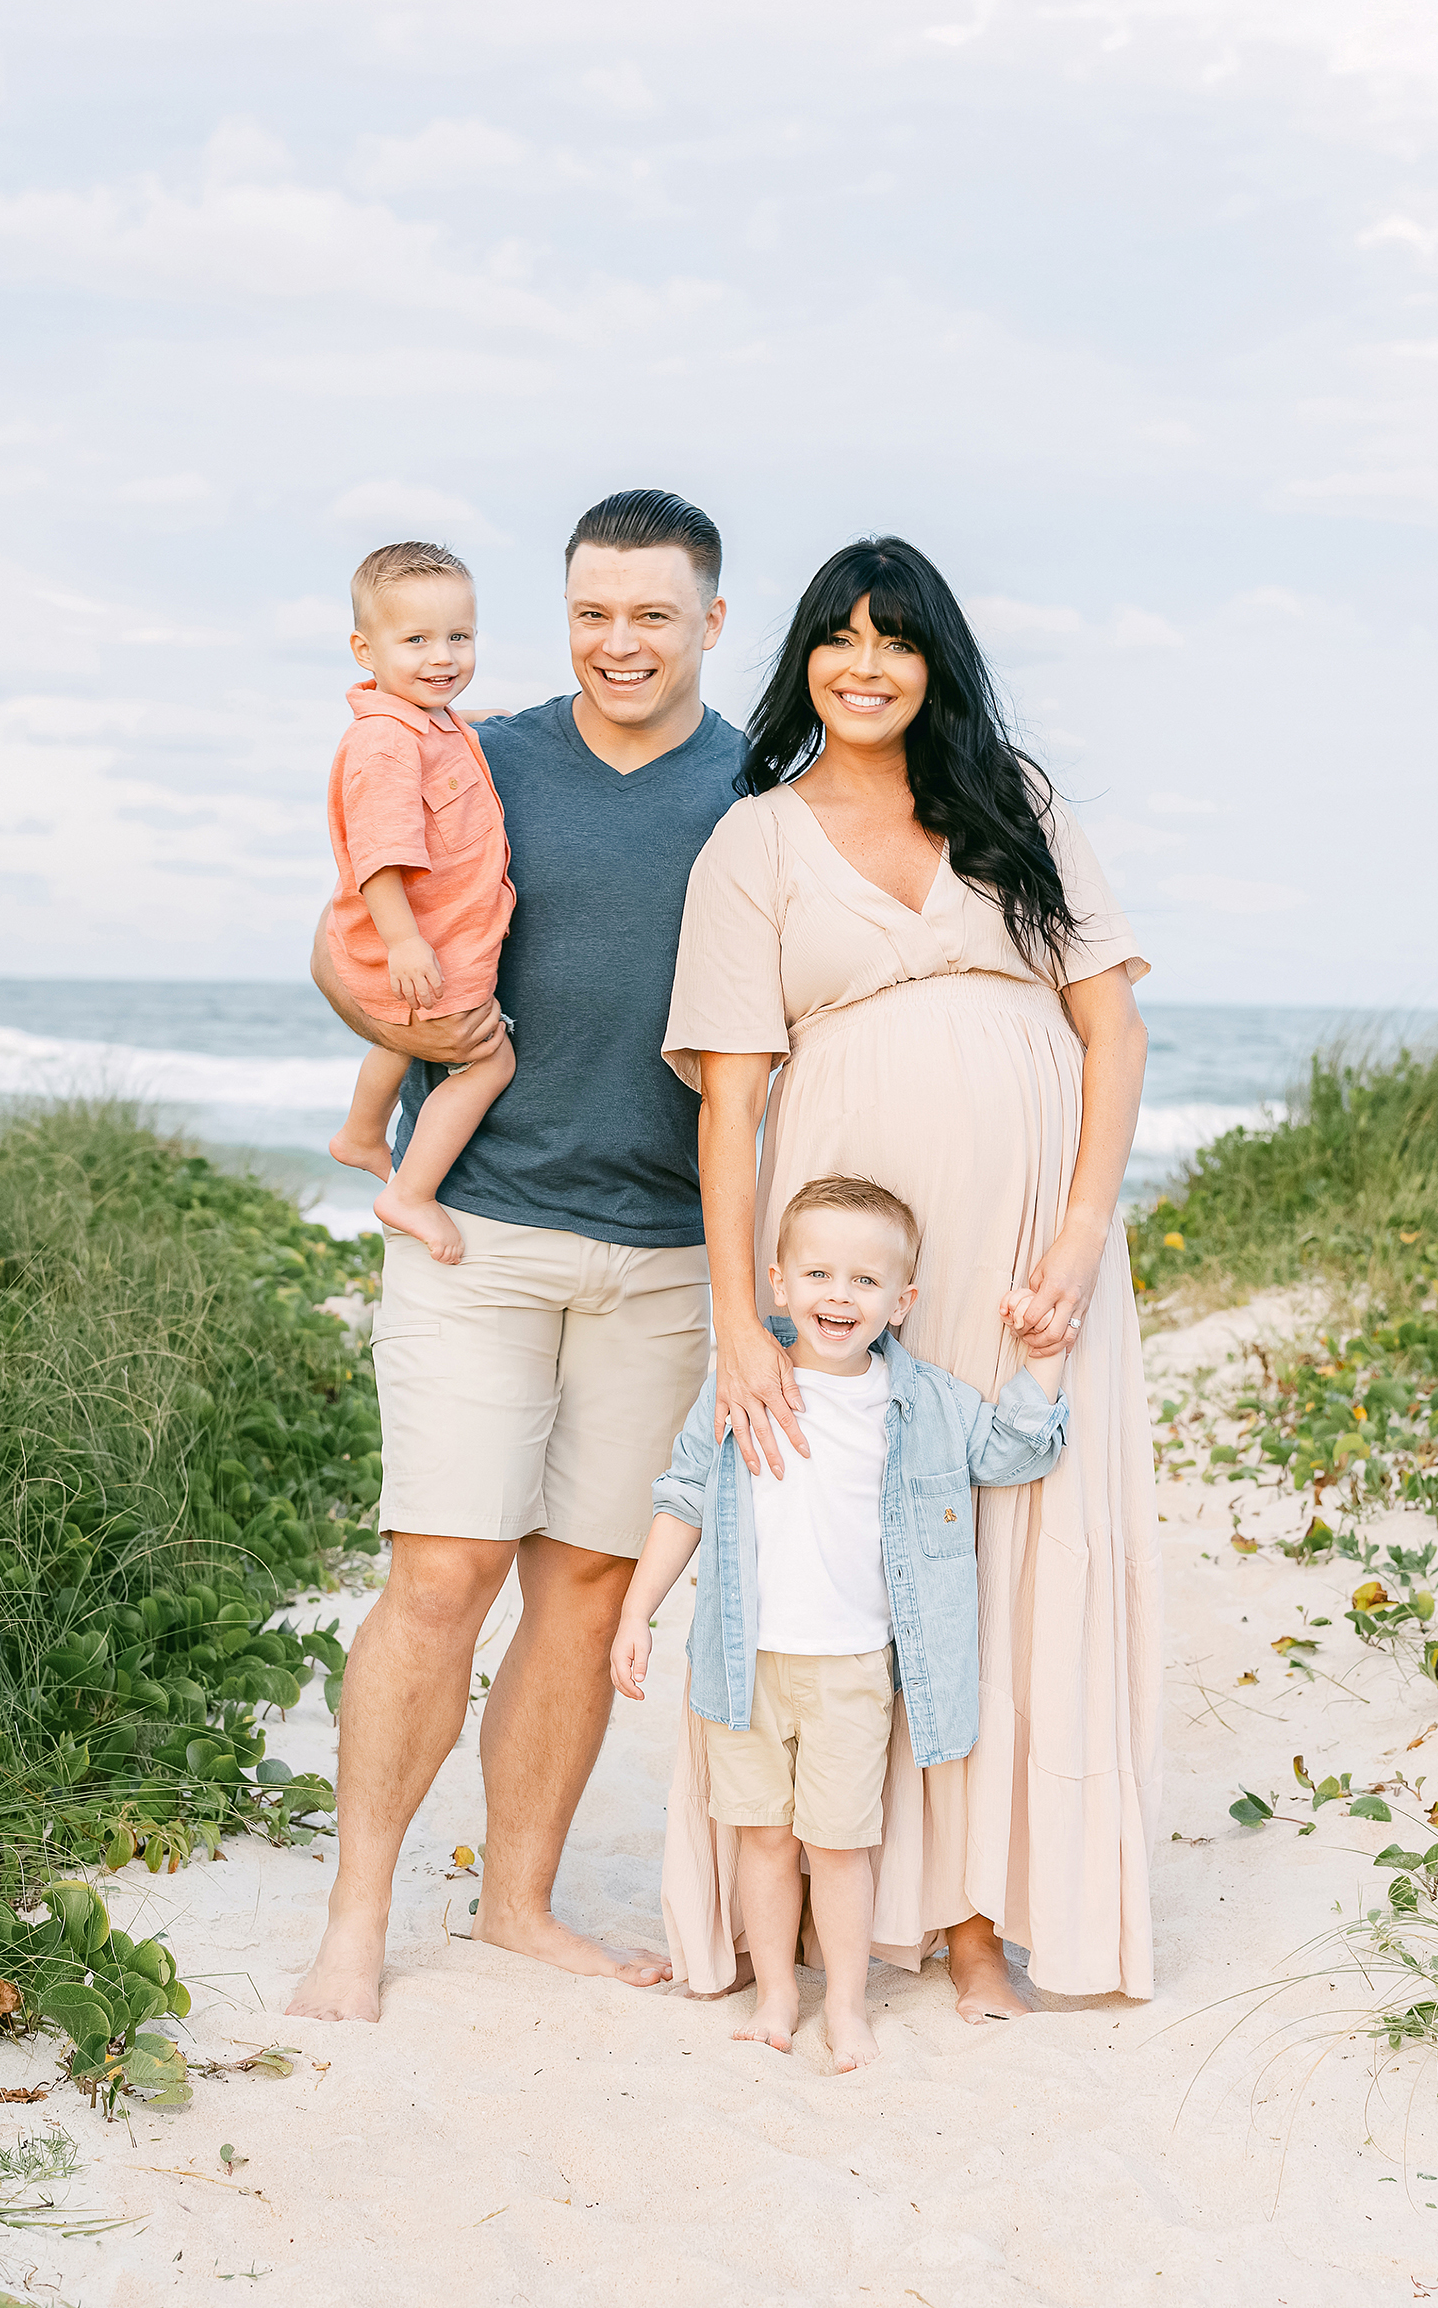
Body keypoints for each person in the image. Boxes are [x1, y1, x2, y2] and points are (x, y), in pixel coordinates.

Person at [660, 536, 1160, 2015]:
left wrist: (1076, 1232)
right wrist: (738, 1323)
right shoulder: (754, 840)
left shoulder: (1017, 804)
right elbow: (732, 1100)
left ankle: (979, 1920)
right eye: (837, 638)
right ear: (802, 657)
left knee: (1018, 1539)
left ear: (937, 661)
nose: (863, 665)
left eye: (895, 640)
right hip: (844, 1252)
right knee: (863, 1552)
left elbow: (1112, 1036)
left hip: (1025, 1241)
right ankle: (852, 1918)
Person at [289, 487, 745, 2022]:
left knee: (586, 1589)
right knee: (442, 1572)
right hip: (477, 1229)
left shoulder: (763, 795)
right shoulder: (471, 751)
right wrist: (392, 1022)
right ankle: (358, 1920)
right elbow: (339, 938)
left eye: (653, 615)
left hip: (673, 1253)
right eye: (593, 613)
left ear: (711, 623)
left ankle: (518, 1905)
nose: (620, 643)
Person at [611, 1175, 1069, 2070]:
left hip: (853, 1669)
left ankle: (847, 2006)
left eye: (864, 1282)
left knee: (840, 1843)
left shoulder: (924, 1402)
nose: (838, 1296)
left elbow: (1014, 1452)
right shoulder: (740, 1384)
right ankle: (780, 1991)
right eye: (818, 1274)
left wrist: (1042, 1352)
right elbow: (682, 1499)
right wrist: (637, 1610)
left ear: (900, 1302)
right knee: (764, 1839)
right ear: (776, 1283)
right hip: (740, 1664)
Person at [321, 541, 518, 1265]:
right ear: (363, 650)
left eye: (458, 637)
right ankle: (411, 1191)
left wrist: (481, 723)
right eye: (416, 641)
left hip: (429, 938)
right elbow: (380, 857)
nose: (443, 657)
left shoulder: (430, 722)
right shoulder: (384, 744)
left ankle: (360, 1133)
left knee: (395, 1033)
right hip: (423, 942)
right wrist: (405, 943)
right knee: (486, 1060)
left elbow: (455, 732)